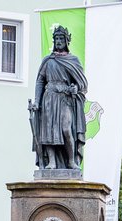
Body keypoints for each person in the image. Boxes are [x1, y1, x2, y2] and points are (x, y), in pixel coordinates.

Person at [30, 24, 87, 170]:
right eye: (56, 38)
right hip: (49, 98)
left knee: (66, 129)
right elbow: (40, 81)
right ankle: (52, 161)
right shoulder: (48, 60)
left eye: (62, 38)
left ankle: (71, 160)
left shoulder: (73, 60)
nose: (59, 41)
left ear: (67, 41)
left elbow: (81, 83)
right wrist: (37, 101)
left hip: (64, 99)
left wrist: (76, 88)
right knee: (49, 130)